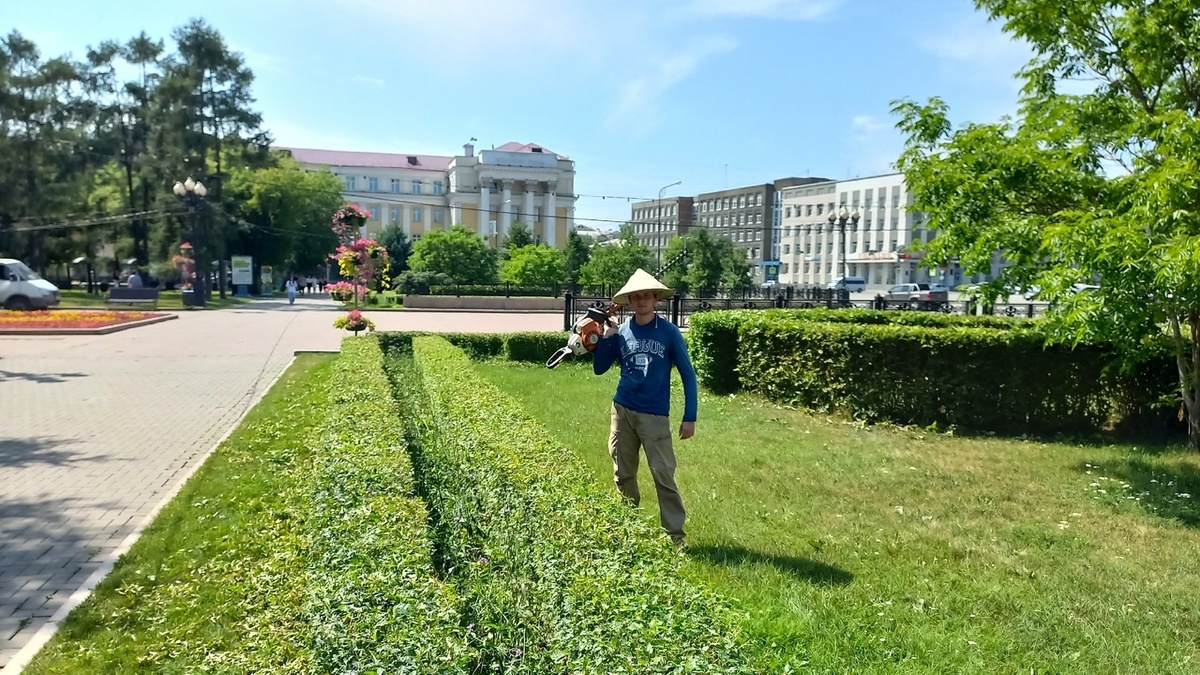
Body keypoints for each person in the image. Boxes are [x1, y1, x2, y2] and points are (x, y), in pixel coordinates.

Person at [592, 268, 697, 546]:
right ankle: (628, 525)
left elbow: (688, 374)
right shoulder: (622, 331)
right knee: (623, 472)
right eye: (635, 296)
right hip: (623, 410)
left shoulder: (670, 333)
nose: (641, 301)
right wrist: (607, 337)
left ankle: (675, 535)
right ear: (629, 301)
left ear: (655, 299)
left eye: (646, 296)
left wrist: (690, 416)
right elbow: (600, 369)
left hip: (654, 415)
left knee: (663, 475)